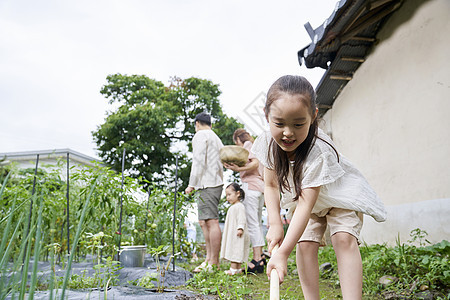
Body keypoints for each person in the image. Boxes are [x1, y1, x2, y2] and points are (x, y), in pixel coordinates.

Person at [251, 75, 387, 299]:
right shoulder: (266, 143)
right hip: (307, 200)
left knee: (343, 238)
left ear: (313, 116)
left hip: (339, 196)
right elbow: (271, 184)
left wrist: (283, 251)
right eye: (279, 123)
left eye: (298, 124)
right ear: (267, 115)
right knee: (305, 244)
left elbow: (306, 203)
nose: (287, 132)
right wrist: (275, 224)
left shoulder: (319, 151)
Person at [185, 112, 224, 272]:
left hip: (207, 183)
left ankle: (213, 262)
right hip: (213, 181)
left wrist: (191, 184)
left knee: (211, 221)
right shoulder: (216, 137)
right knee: (204, 222)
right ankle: (209, 259)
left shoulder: (201, 135)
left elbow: (198, 160)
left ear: (197, 124)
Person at [223, 128, 266, 273]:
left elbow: (254, 163)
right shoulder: (257, 147)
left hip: (251, 187)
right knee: (258, 223)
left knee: (252, 224)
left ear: (238, 140)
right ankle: (260, 256)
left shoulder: (248, 145)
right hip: (260, 188)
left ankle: (257, 259)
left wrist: (238, 168)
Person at [220, 183, 250, 275]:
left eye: (229, 195)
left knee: (236, 249)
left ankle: (233, 269)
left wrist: (240, 228)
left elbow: (242, 218)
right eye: (226, 195)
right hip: (234, 233)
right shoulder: (233, 207)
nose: (227, 198)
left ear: (237, 193)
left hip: (238, 233)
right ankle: (237, 269)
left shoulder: (239, 206)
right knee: (236, 249)